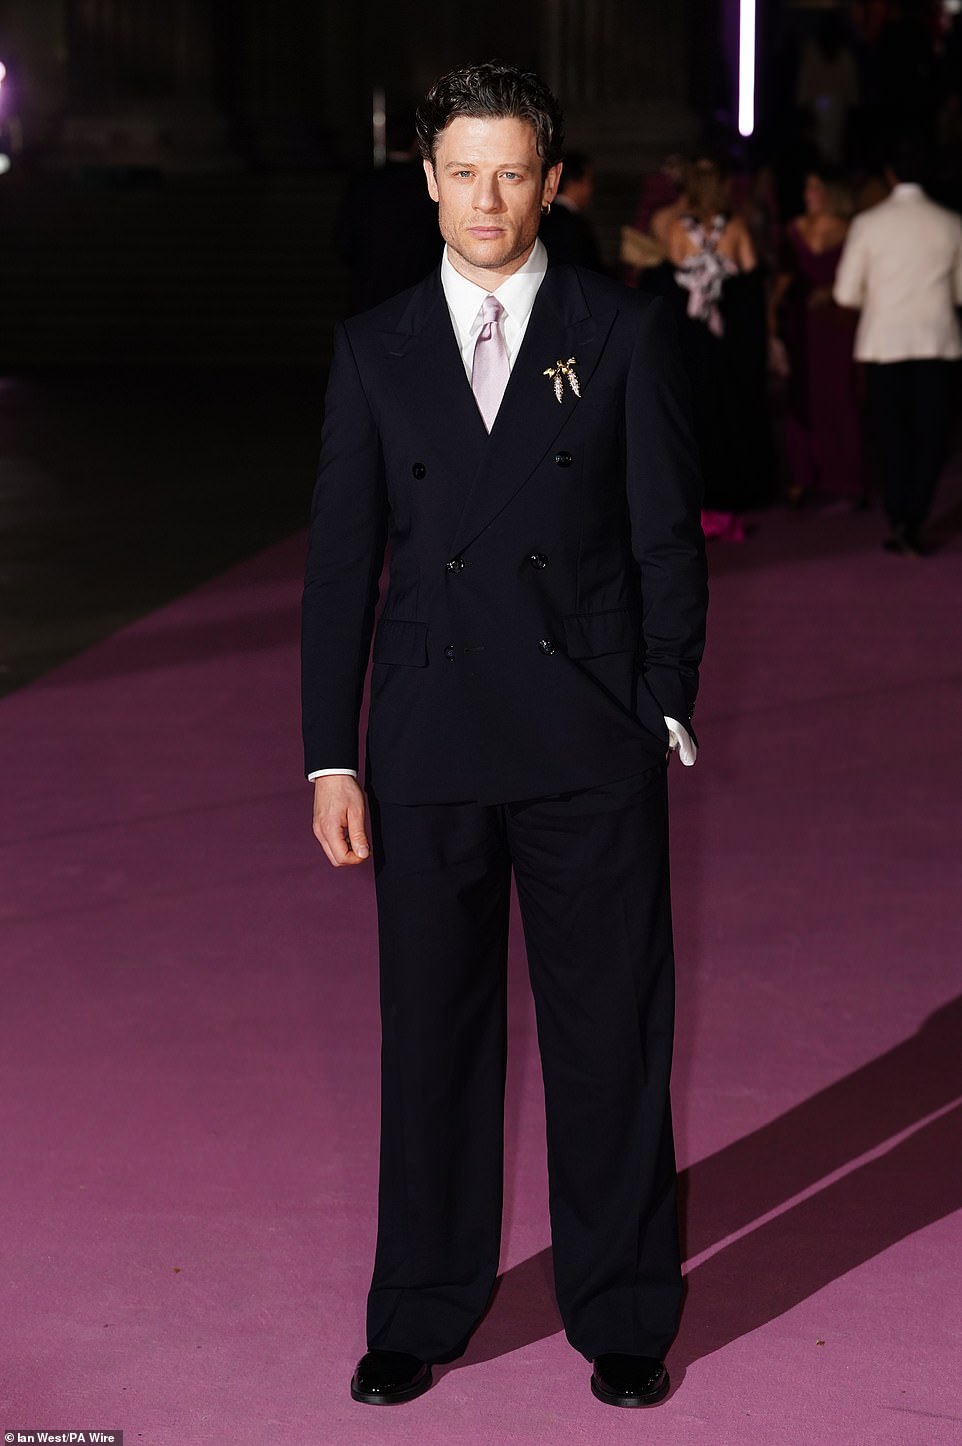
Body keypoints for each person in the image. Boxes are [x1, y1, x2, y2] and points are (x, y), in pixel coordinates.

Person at [301, 62, 707, 1409]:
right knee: (431, 1037)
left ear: (550, 180)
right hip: (422, 743)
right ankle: (419, 1302)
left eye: (511, 172)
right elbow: (339, 565)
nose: (486, 198)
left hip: (582, 736)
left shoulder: (623, 327)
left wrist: (656, 698)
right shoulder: (373, 348)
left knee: (609, 1037)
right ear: (426, 180)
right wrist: (329, 752)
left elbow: (663, 537)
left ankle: (623, 1306)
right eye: (461, 172)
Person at [833, 139, 962, 555]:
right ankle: (914, 518)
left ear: (890, 174)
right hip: (936, 340)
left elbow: (845, 294)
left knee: (891, 436)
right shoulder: (951, 222)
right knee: (930, 436)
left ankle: (899, 516)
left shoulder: (869, 224)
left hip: (884, 343)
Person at [665, 156, 775, 517]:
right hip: (729, 337)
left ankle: (697, 489)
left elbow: (671, 282)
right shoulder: (737, 227)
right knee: (733, 404)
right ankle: (738, 487)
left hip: (689, 335)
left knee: (694, 407)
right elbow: (750, 282)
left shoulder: (676, 229)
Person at [770, 170, 864, 506]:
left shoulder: (852, 230)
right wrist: (771, 316)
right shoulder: (793, 229)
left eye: (814, 186)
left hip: (838, 323)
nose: (807, 192)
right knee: (802, 395)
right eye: (806, 185)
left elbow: (863, 279)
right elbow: (782, 278)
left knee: (840, 396)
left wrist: (833, 291)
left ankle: (847, 477)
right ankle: (803, 476)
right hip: (802, 323)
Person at [538, 150, 607, 271]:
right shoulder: (576, 225)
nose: (592, 189)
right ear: (573, 183)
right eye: (589, 181)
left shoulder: (541, 218)